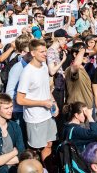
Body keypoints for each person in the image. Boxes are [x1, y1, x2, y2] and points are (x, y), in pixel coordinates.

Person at [16, 39, 58, 169]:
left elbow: (46, 89)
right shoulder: (27, 72)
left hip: (47, 115)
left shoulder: (44, 66)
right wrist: (42, 103)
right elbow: (19, 100)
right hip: (35, 118)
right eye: (42, 52)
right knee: (35, 150)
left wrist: (53, 103)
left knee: (49, 144)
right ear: (33, 53)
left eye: (45, 51)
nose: (45, 54)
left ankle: (48, 168)